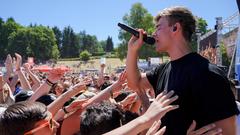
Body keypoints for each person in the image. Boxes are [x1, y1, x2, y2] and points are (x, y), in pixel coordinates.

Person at [126, 6, 239, 135]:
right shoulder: (163, 69)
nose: (153, 33)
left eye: (158, 27)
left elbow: (228, 131)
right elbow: (135, 83)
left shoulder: (208, 74)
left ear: (175, 28)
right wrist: (132, 50)